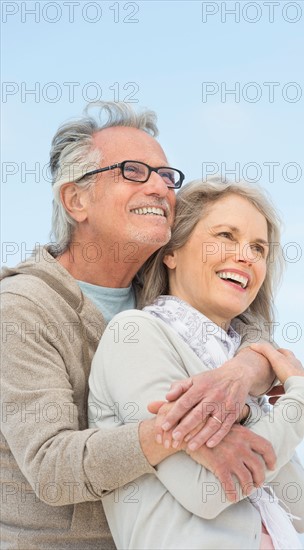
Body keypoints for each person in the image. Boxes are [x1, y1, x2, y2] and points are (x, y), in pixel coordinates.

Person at [1, 102, 278, 549]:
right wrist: (187, 434)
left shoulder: (160, 297)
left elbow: (249, 333)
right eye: (134, 172)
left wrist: (242, 372)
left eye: (167, 177)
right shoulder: (23, 309)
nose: (161, 189)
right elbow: (52, 468)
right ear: (76, 200)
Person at [88, 178, 304, 550]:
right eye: (226, 235)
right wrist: (302, 398)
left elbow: (303, 508)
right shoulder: (135, 336)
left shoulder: (243, 368)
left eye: (258, 247)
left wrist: (246, 406)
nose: (246, 255)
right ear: (172, 252)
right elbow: (207, 491)